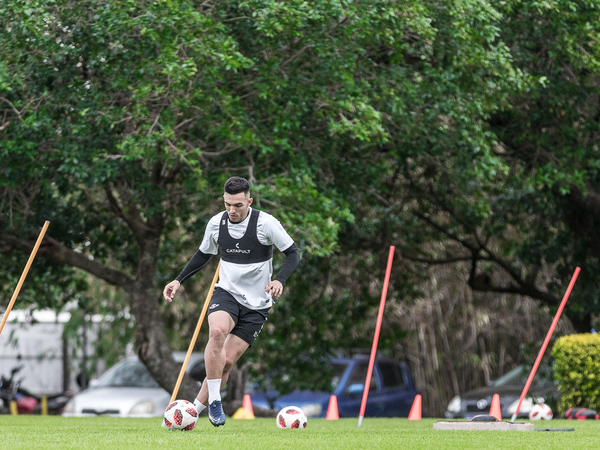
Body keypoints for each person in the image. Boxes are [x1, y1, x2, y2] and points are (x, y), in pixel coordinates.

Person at [162, 176, 300, 427]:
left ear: (249, 200)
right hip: (227, 292)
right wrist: (178, 280)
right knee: (216, 332)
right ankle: (215, 401)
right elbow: (203, 254)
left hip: (257, 305)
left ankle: (189, 414)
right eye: (227, 204)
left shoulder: (265, 223)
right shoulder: (216, 223)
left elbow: (293, 253)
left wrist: (279, 279)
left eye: (238, 205)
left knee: (225, 363)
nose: (232, 210)